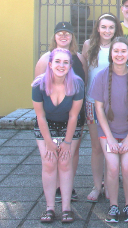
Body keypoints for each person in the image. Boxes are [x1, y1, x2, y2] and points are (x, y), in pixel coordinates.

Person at [91, 37, 128, 223]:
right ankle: (114, 206)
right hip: (107, 131)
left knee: (126, 167)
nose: (119, 54)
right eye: (116, 51)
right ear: (110, 54)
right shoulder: (101, 76)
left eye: (123, 51)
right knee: (112, 167)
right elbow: (98, 108)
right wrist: (109, 138)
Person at [35, 22, 87, 203]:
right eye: (60, 33)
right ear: (54, 36)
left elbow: (83, 82)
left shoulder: (79, 57)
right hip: (52, 114)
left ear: (73, 37)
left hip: (75, 111)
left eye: (68, 33)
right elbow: (38, 88)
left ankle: (68, 185)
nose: (64, 36)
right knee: (52, 154)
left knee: (72, 150)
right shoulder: (45, 59)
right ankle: (56, 186)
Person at [32, 48, 84, 224]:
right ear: (50, 64)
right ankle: (50, 208)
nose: (61, 66)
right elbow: (40, 116)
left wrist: (67, 143)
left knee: (65, 162)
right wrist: (48, 142)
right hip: (46, 126)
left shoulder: (77, 84)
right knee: (48, 163)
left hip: (68, 126)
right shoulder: (38, 85)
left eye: (65, 62)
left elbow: (73, 116)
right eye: (58, 62)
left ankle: (66, 208)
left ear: (70, 66)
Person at [82, 13, 124, 202]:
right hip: (92, 102)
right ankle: (97, 186)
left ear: (116, 29)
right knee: (97, 147)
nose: (107, 31)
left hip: (113, 105)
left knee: (111, 146)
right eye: (104, 27)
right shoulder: (88, 45)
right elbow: (84, 73)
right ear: (98, 28)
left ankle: (110, 184)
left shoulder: (119, 47)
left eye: (111, 27)